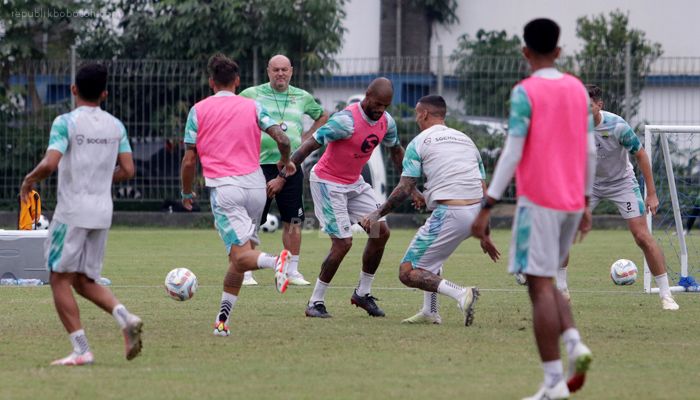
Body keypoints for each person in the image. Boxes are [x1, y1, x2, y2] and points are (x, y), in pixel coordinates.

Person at [472, 19, 595, 400]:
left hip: (539, 201)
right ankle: (574, 342)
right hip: (573, 201)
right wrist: (588, 201)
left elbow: (512, 151)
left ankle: (555, 382)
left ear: (525, 52)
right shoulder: (577, 89)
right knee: (548, 279)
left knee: (538, 287)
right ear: (559, 52)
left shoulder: (525, 92)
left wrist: (488, 203)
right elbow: (591, 149)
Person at [20, 63, 143, 366]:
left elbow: (50, 163)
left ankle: (81, 349)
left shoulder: (66, 122)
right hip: (102, 212)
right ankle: (124, 317)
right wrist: (101, 177)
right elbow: (128, 170)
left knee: (59, 278)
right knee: (84, 280)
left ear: (74, 89)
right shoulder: (116, 126)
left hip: (72, 212)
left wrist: (29, 179)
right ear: (105, 93)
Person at [180, 53, 296, 337]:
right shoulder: (253, 106)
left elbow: (188, 160)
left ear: (211, 83)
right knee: (239, 259)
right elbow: (282, 137)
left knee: (243, 256)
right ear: (237, 81)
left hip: (226, 188)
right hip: (256, 186)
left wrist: (186, 191)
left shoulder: (198, 110)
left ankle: (275, 261)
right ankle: (222, 322)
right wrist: (285, 161)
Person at [360, 95, 500, 326]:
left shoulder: (419, 142)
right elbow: (482, 188)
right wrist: (485, 233)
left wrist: (377, 213)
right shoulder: (466, 140)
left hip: (451, 213)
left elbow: (405, 187)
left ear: (424, 113)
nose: (416, 118)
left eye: (417, 113)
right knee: (430, 259)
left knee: (408, 271)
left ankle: (461, 293)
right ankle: (430, 311)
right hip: (475, 212)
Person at [556, 85, 680, 311]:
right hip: (588, 184)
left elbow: (641, 155)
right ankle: (561, 290)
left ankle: (666, 294)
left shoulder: (617, 126)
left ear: (599, 105)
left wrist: (651, 193)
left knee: (641, 236)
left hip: (621, 183)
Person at [290, 77, 405, 318]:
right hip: (327, 182)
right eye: (377, 104)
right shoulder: (345, 121)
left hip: (354, 183)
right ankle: (315, 302)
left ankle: (362, 294)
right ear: (367, 95)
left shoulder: (386, 121)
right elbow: (310, 145)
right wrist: (285, 172)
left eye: (386, 106)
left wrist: (409, 183)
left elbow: (395, 149)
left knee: (380, 232)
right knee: (343, 243)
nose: (381, 110)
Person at [239, 54, 329, 287]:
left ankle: (292, 271)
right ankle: (247, 271)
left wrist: (308, 137)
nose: (280, 73)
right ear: (268, 71)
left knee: (294, 221)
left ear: (291, 71)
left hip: (291, 165)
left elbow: (322, 116)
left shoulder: (302, 96)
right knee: (252, 219)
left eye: (284, 70)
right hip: (258, 165)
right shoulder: (252, 94)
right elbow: (233, 112)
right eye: (275, 69)